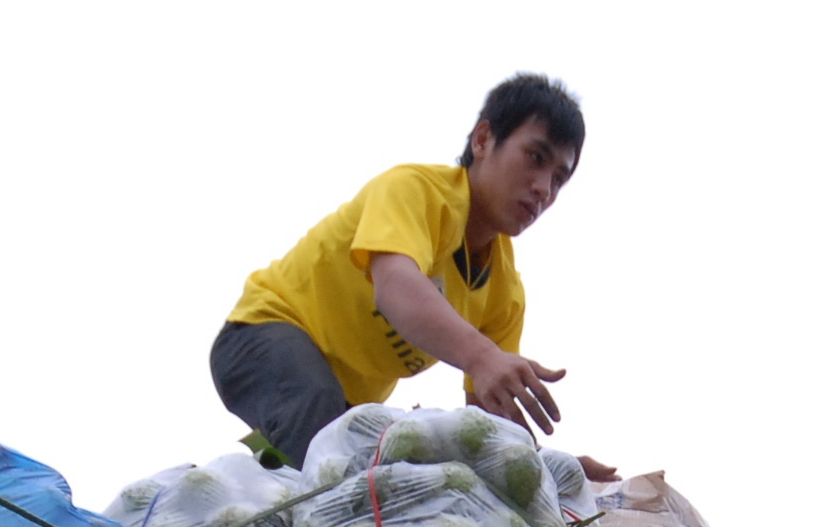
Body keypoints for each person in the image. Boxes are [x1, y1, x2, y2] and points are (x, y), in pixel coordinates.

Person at [214, 74, 613, 474]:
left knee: (386, 474)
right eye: (536, 157)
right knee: (331, 463)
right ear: (483, 140)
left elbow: (487, 425)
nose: (544, 187)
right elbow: (394, 286)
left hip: (343, 406)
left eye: (559, 178)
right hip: (264, 334)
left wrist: (546, 470)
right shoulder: (417, 191)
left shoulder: (504, 294)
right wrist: (481, 356)